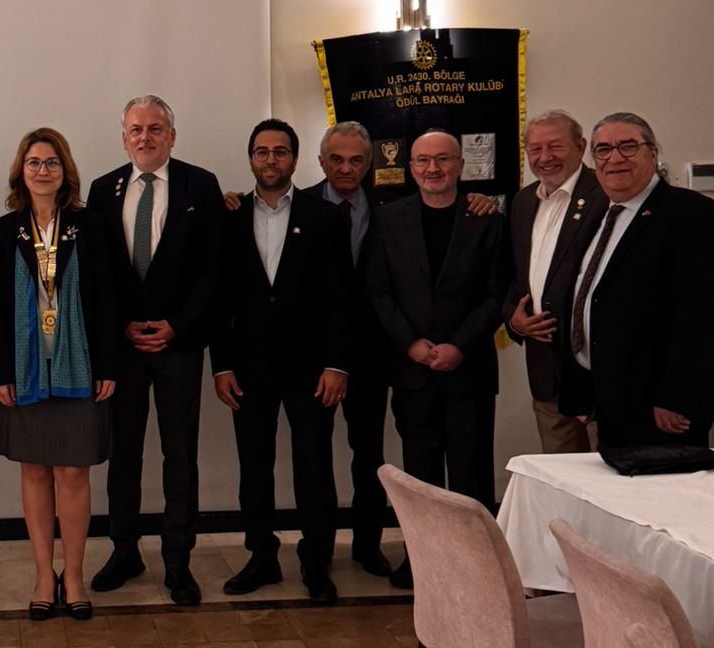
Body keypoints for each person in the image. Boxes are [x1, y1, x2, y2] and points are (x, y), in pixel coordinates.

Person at [211, 119, 354, 604]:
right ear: (250, 157)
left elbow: (342, 298)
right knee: (254, 467)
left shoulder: (324, 216)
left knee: (314, 466)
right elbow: (219, 300)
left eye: (280, 151)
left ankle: (316, 561)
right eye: (262, 151)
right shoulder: (228, 217)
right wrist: (221, 365)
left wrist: (337, 364)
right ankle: (261, 558)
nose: (270, 159)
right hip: (247, 369)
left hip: (312, 369)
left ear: (295, 159)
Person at [88, 95, 222, 606]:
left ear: (172, 135)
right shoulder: (103, 189)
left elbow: (213, 268)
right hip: (123, 349)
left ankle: (177, 561)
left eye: (155, 128)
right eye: (136, 129)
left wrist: (177, 325)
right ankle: (124, 551)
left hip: (178, 346)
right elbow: (99, 272)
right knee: (122, 453)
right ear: (123, 138)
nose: (145, 137)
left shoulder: (200, 185)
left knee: (179, 454)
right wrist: (121, 326)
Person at [0, 128, 117, 619]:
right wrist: (0, 373)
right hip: (25, 372)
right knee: (36, 471)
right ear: (21, 171)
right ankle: (45, 575)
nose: (43, 171)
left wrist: (108, 365)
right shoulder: (4, 230)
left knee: (73, 472)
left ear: (66, 171)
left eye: (52, 162)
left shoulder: (90, 225)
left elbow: (108, 297)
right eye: (34, 162)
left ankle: (74, 575)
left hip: (80, 367)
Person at [554, 112, 714, 447]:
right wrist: (581, 387)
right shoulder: (601, 214)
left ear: (653, 153)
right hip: (610, 396)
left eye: (628, 146)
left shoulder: (692, 213)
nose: (615, 158)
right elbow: (588, 298)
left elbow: (701, 315)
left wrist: (675, 397)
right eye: (603, 150)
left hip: (660, 409)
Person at [365, 129, 509, 510]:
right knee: (420, 480)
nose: (433, 168)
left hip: (470, 371)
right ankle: (423, 550)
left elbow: (495, 295)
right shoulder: (387, 219)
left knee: (471, 479)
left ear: (460, 165)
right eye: (423, 160)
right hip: (412, 372)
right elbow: (378, 290)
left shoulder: (488, 221)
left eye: (443, 159)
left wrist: (459, 346)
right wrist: (410, 343)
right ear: (411, 167)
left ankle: (473, 551)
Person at [315, 122, 399, 583]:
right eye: (336, 159)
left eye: (355, 160)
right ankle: (319, 549)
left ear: (369, 164)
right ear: (321, 161)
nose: (345, 169)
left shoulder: (393, 208)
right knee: (314, 457)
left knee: (369, 455)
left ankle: (368, 545)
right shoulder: (299, 204)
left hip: (371, 354)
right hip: (315, 356)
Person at [503, 110, 607, 452]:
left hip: (596, 372)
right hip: (545, 370)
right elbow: (515, 274)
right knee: (558, 472)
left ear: (581, 146)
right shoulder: (522, 202)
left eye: (555, 146)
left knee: (608, 470)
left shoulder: (606, 195)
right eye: (535, 149)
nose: (544, 157)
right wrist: (514, 319)